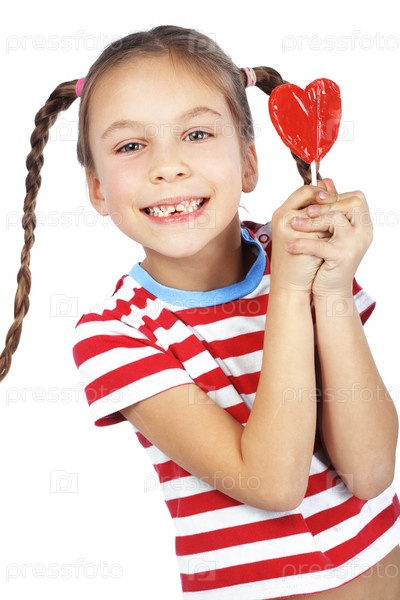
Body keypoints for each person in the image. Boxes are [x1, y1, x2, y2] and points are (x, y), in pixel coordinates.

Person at [1, 25, 399, 599]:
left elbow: (371, 471)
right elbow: (272, 482)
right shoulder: (116, 335)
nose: (168, 166)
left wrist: (330, 290)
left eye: (196, 133)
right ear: (98, 190)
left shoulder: (308, 262)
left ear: (249, 163)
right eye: (131, 146)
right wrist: (290, 293)